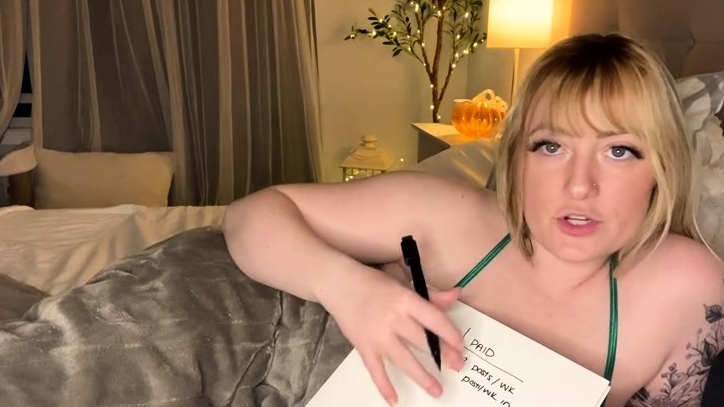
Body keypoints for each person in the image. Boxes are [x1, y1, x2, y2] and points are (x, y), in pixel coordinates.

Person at [222, 33, 724, 407]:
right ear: (517, 157)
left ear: (661, 168)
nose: (579, 185)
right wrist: (348, 287)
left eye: (619, 151)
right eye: (551, 146)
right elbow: (251, 215)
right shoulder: (446, 218)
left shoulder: (688, 288)